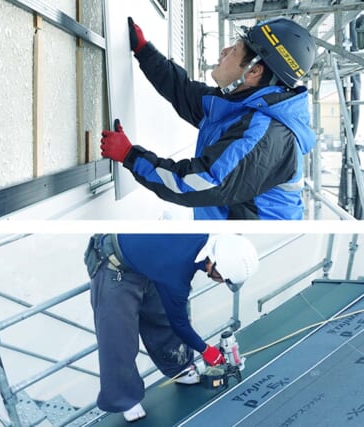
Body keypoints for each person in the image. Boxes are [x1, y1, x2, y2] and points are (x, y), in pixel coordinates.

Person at [99, 18, 317, 220]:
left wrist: (131, 156)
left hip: (248, 246)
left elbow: (198, 183)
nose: (224, 52)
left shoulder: (267, 136)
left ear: (253, 71)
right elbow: (182, 91)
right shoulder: (239, 105)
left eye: (234, 50)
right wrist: (144, 50)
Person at [85, 234, 252, 421]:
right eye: (223, 279)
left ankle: (179, 367)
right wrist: (206, 350)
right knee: (118, 338)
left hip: (151, 263)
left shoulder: (202, 239)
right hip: (115, 266)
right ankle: (126, 398)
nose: (221, 282)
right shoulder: (177, 274)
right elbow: (179, 324)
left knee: (162, 314)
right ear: (215, 265)